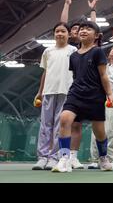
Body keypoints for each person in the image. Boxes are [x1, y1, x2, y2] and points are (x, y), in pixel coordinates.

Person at [52, 21, 113, 173]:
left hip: (95, 96)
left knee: (99, 132)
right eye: (81, 29)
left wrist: (110, 94)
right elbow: (76, 76)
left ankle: (103, 157)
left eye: (88, 29)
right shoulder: (73, 56)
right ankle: (64, 158)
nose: (84, 31)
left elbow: (103, 75)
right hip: (76, 94)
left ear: (96, 36)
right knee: (65, 118)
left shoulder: (97, 52)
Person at [59, 0, 100, 169]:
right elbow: (63, 24)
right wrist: (67, 4)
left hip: (84, 91)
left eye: (82, 28)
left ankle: (73, 156)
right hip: (66, 88)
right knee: (65, 122)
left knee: (78, 125)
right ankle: (62, 157)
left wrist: (92, 10)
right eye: (74, 29)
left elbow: (94, 27)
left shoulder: (91, 48)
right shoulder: (68, 46)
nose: (78, 31)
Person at [32, 22, 77, 171]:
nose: (59, 34)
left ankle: (54, 157)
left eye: (63, 31)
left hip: (66, 92)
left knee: (60, 126)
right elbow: (45, 73)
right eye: (57, 31)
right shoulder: (48, 51)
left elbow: (77, 72)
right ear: (54, 34)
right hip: (48, 92)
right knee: (46, 125)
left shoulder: (73, 50)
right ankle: (42, 157)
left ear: (69, 34)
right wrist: (40, 91)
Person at [88, 45, 113, 170]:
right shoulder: (102, 66)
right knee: (96, 130)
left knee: (110, 130)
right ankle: (95, 159)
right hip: (98, 100)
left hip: (112, 101)